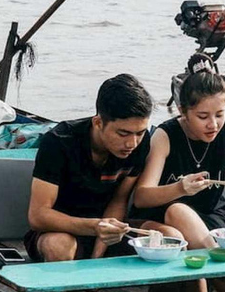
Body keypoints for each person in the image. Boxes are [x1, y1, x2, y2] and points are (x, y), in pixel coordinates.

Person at [132, 53, 225, 292]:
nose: (213, 124)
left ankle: (213, 287)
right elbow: (142, 197)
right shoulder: (166, 136)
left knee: (194, 267)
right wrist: (180, 188)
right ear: (183, 111)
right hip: (164, 217)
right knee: (178, 211)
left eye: (220, 114)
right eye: (203, 117)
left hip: (212, 219)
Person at [25, 74, 182, 266]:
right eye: (123, 133)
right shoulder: (59, 142)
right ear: (98, 123)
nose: (132, 143)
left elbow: (119, 199)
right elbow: (38, 215)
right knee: (59, 245)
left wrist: (98, 254)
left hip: (110, 229)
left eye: (140, 133)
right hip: (61, 229)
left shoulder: (139, 145)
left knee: (171, 237)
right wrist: (94, 227)